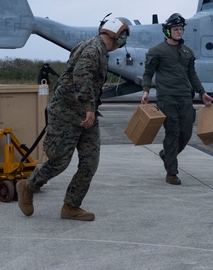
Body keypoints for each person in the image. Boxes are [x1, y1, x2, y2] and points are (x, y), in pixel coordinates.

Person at [16, 15, 130, 221]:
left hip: (87, 116)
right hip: (66, 114)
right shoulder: (92, 49)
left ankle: (71, 206)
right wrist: (88, 107)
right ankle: (28, 185)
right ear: (114, 33)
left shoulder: (101, 52)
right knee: (59, 161)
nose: (123, 43)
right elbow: (81, 75)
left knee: (90, 162)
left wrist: (90, 110)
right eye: (123, 37)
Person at [140, 13, 213, 185]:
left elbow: (192, 74)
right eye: (176, 29)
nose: (179, 32)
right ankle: (172, 172)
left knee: (185, 133)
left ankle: (167, 155)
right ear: (168, 31)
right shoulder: (157, 51)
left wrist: (202, 93)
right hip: (167, 98)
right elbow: (148, 73)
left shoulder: (188, 52)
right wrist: (145, 91)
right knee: (172, 132)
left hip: (185, 98)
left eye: (181, 29)